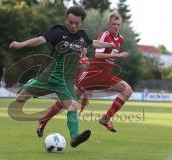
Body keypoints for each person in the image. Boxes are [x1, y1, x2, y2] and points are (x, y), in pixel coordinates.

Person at [8, 6, 115, 148]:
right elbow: (40, 40)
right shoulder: (58, 32)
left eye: (76, 23)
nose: (73, 25)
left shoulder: (82, 36)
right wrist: (21, 44)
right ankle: (32, 82)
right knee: (20, 99)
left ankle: (74, 137)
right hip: (49, 77)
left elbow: (92, 43)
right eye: (70, 22)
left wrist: (108, 44)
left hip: (66, 82)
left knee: (72, 106)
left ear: (81, 23)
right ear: (66, 19)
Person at [36, 12, 132, 135]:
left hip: (105, 76)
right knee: (67, 101)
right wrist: (116, 55)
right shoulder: (105, 35)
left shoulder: (120, 39)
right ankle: (43, 120)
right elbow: (97, 54)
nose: (116, 26)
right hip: (92, 75)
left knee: (127, 91)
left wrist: (110, 57)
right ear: (108, 24)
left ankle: (106, 118)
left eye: (118, 24)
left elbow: (107, 56)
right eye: (114, 24)